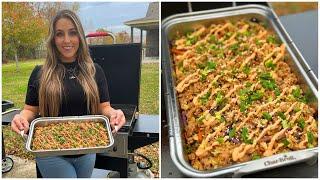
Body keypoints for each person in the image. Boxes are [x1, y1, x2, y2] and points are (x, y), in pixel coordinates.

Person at [11, 9, 126, 178]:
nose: (66, 40)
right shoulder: (40, 73)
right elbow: (30, 110)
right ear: (53, 39)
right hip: (50, 151)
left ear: (80, 36)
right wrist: (21, 117)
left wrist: (114, 113)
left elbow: (104, 107)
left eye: (72, 33)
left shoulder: (95, 71)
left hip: (88, 148)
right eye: (59, 34)